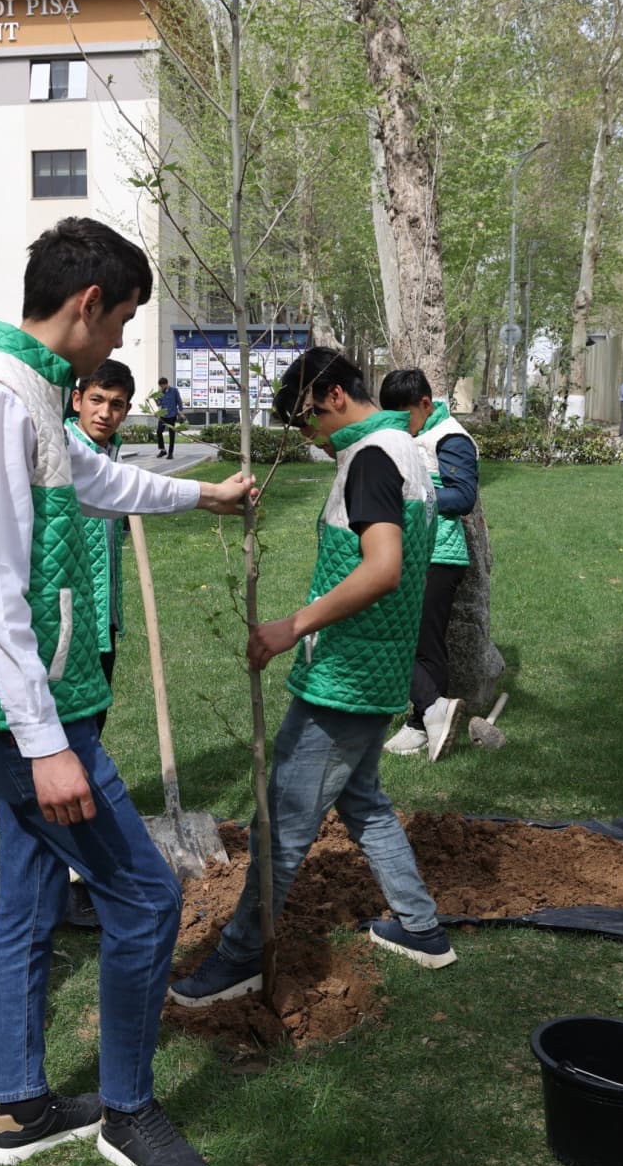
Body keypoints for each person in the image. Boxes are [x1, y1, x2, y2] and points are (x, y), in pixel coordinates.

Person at [0, 217, 254, 1166]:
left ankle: (21, 1105)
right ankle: (126, 1110)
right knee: (145, 900)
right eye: (122, 324)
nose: (118, 347)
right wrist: (44, 747)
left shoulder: (27, 391)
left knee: (26, 894)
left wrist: (202, 499)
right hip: (28, 714)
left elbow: (92, 477)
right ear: (87, 304)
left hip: (37, 705)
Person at [170, 348, 455, 1007]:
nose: (309, 440)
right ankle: (421, 928)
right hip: (377, 664)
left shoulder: (372, 459)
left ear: (328, 395)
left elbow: (382, 568)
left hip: (348, 672)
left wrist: (290, 626)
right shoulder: (404, 445)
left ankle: (239, 958)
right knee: (364, 802)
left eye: (303, 423)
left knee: (282, 820)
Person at [379, 370, 481, 762]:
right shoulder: (417, 432)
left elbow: (463, 496)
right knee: (412, 638)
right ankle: (427, 716)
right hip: (413, 551)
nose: (399, 425)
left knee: (416, 640)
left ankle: (425, 720)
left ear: (425, 403)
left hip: (439, 554)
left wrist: (407, 494)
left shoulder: (450, 437)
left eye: (405, 416)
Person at [65, 358, 136, 701]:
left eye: (116, 404)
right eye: (97, 400)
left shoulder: (111, 455)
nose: (105, 413)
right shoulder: (64, 451)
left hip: (102, 619)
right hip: (66, 622)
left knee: (96, 713)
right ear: (78, 400)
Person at [156, 375, 183, 458]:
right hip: (163, 416)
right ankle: (163, 450)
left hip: (172, 416)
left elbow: (179, 402)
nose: (161, 387)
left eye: (162, 386)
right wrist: (155, 399)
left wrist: (181, 412)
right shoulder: (160, 393)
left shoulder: (174, 391)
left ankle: (170, 453)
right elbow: (159, 404)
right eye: (160, 386)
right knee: (159, 431)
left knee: (171, 435)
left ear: (166, 384)